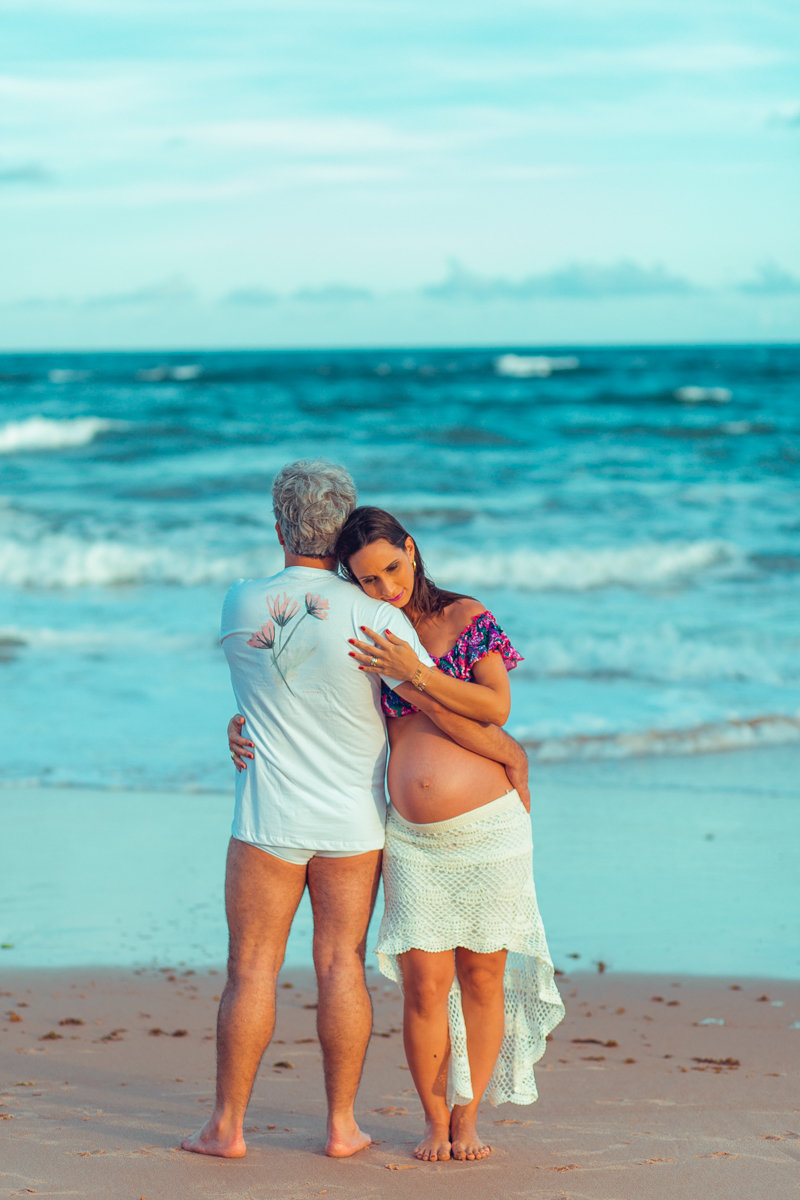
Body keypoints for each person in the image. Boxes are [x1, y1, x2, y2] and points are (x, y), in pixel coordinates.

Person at [187, 459, 531, 1162]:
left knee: (251, 969)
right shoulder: (377, 618)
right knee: (340, 963)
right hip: (353, 823)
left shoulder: (240, 602)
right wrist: (509, 753)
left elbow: (276, 687)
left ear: (279, 528)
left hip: (268, 817)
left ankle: (226, 1128)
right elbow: (417, 705)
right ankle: (342, 1126)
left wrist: (239, 724)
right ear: (342, 530)